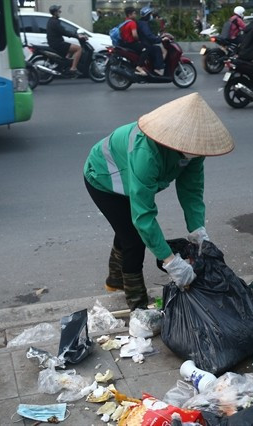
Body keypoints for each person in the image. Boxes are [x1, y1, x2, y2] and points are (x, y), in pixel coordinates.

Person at [83, 93, 235, 311]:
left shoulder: (194, 151)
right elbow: (143, 216)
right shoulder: (146, 153)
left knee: (126, 229)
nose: (197, 153)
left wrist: (198, 231)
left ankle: (115, 280)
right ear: (177, 140)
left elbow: (191, 193)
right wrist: (171, 262)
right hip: (103, 179)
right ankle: (138, 306)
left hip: (130, 180)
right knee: (134, 239)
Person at [47, 5, 86, 75]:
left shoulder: (51, 21)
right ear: (55, 12)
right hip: (57, 43)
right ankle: (73, 68)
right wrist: (77, 36)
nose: (60, 12)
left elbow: (63, 30)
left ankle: (66, 62)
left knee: (70, 47)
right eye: (59, 11)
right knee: (78, 49)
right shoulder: (55, 22)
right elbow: (64, 32)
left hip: (55, 43)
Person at [118, 6, 148, 76]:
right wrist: (138, 40)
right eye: (134, 13)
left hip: (124, 44)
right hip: (131, 43)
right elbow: (134, 35)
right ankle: (139, 67)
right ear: (129, 15)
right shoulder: (132, 23)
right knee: (146, 49)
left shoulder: (124, 23)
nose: (135, 15)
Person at [137, 6, 164, 76]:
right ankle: (157, 68)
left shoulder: (142, 22)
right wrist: (159, 39)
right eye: (150, 14)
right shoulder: (143, 24)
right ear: (147, 15)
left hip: (144, 43)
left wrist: (156, 37)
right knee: (157, 49)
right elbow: (149, 35)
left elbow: (149, 34)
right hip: (145, 44)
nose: (151, 16)